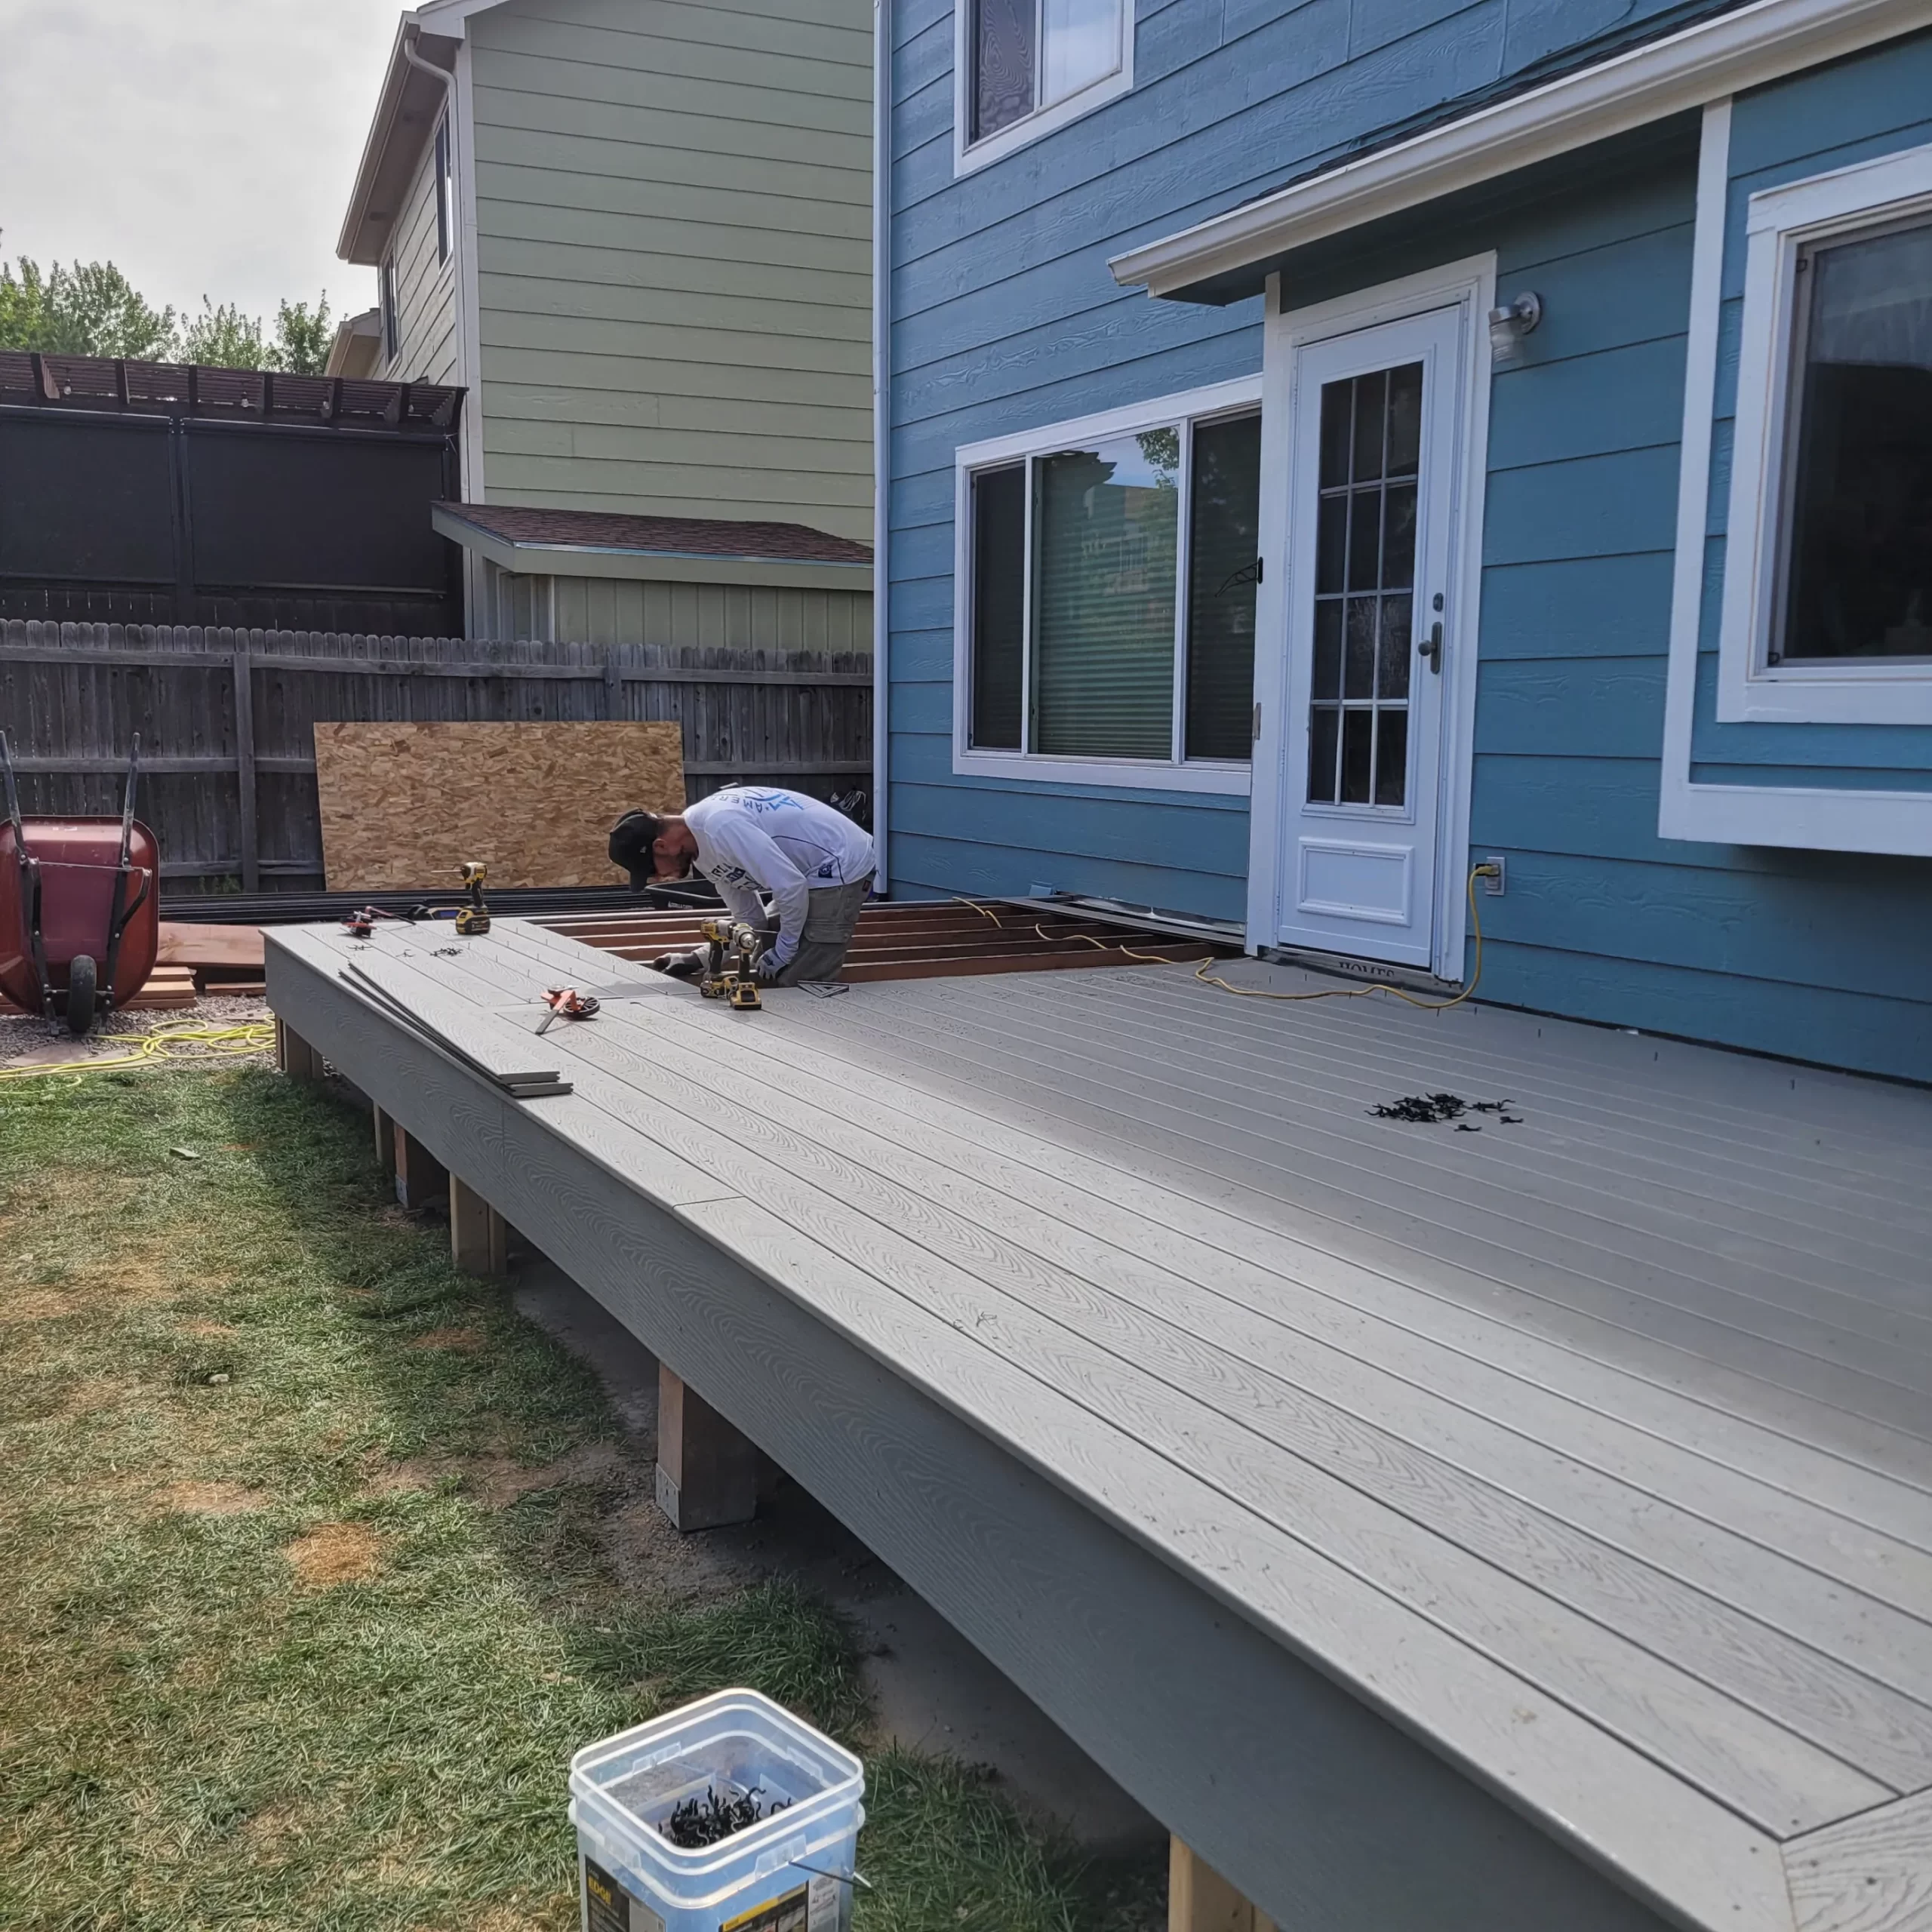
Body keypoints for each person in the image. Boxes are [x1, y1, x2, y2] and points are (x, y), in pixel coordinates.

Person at [608, 786, 875, 986]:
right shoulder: (701, 851)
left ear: (661, 846)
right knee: (762, 951)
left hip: (840, 861)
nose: (659, 877)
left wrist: (785, 951)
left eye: (652, 870)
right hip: (802, 873)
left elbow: (791, 887)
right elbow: (750, 919)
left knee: (798, 981)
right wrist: (701, 959)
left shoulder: (721, 825)